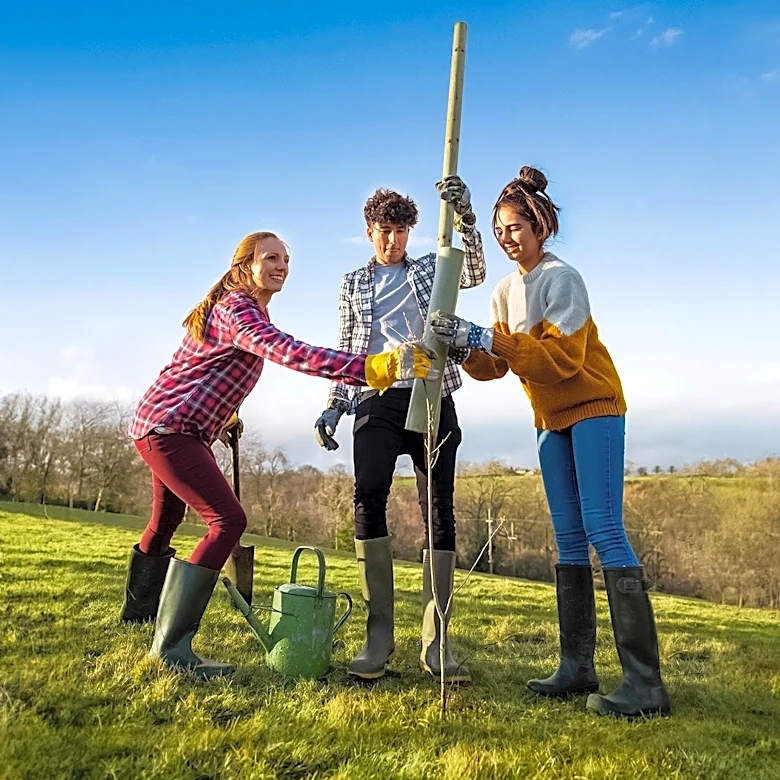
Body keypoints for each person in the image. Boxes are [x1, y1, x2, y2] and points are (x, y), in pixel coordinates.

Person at [121, 231, 437, 680]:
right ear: (243, 266)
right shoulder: (237, 309)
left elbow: (204, 368)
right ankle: (172, 646)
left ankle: (137, 616)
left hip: (168, 424)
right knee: (227, 521)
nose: (282, 266)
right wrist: (371, 367)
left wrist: (227, 415)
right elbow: (289, 352)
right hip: (171, 429)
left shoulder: (238, 309)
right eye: (271, 258)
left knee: (165, 522)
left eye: (286, 259)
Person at [429, 167, 671, 718]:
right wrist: (462, 344)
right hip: (547, 419)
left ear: (540, 226)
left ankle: (646, 684)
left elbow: (562, 361)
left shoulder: (563, 279)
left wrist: (488, 338)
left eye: (515, 226)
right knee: (566, 540)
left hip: (592, 408)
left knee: (604, 529)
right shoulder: (503, 290)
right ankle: (577, 667)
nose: (507, 237)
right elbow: (496, 364)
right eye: (499, 228)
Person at [314, 178, 486, 682]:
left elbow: (472, 270)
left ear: (411, 231)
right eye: (385, 231)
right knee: (368, 493)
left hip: (432, 390)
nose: (393, 241)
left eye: (402, 231)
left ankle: (438, 642)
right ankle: (378, 638)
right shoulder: (354, 283)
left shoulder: (430, 268)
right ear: (370, 232)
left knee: (438, 505)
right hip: (376, 396)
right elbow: (349, 347)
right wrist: (334, 405)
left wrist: (465, 215)